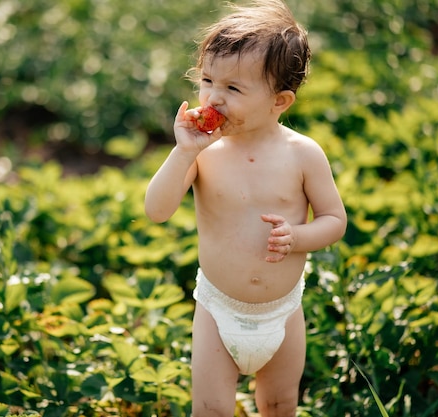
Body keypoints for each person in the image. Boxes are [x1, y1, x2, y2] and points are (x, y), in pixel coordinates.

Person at [144, 1, 347, 416]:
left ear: (280, 101)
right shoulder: (204, 153)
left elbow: (334, 220)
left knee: (279, 404)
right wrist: (182, 154)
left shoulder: (303, 155)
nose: (214, 97)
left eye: (234, 89)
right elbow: (156, 210)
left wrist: (298, 238)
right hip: (219, 310)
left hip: (283, 313)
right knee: (211, 409)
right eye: (207, 80)